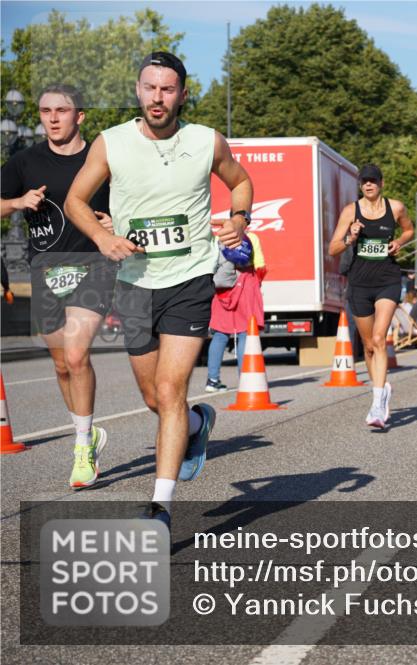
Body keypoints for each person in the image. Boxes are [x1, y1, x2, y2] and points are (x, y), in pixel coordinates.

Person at [65, 52, 253, 527]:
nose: (158, 97)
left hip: (189, 278)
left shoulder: (206, 141)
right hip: (132, 282)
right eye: (150, 87)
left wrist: (238, 218)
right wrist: (103, 237)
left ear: (183, 95)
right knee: (154, 398)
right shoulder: (112, 143)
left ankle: (161, 507)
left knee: (171, 389)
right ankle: (197, 423)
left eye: (168, 89)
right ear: (138, 90)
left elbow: (242, 181)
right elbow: (75, 201)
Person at [1, 83, 116, 489]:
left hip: (93, 264)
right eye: (45, 110)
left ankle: (83, 446)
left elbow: (132, 201)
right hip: (45, 267)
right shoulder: (24, 161)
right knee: (62, 364)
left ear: (79, 116)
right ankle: (89, 432)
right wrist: (16, 203)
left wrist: (115, 223)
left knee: (77, 353)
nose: (51, 118)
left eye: (61, 111)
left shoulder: (99, 158)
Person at [328, 164, 413, 429]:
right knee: (367, 345)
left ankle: (378, 403)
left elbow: (409, 230)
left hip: (387, 278)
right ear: (360, 184)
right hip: (360, 282)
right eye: (364, 181)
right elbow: (333, 248)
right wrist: (350, 237)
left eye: (373, 181)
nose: (368, 185)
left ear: (381, 183)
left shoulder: (395, 208)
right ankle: (381, 389)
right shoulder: (350, 211)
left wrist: (400, 242)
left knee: (379, 338)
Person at [205, 232, 266, 391]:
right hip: (246, 284)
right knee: (245, 332)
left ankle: (212, 380)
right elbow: (260, 265)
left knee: (219, 334)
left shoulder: (218, 237)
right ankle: (245, 379)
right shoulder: (251, 237)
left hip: (223, 287)